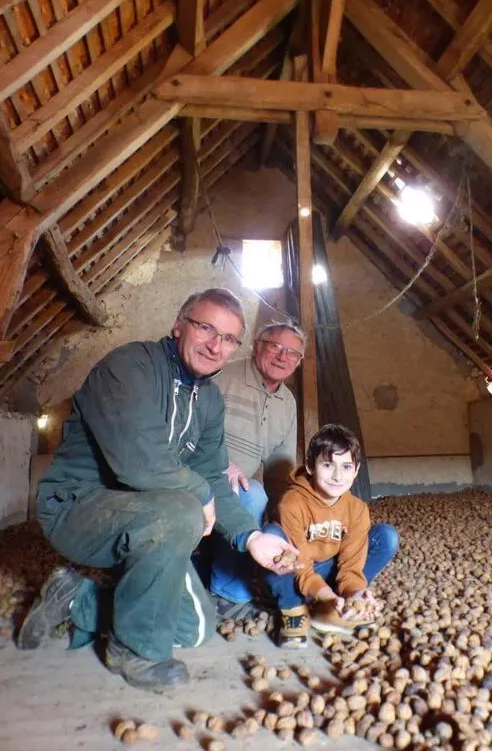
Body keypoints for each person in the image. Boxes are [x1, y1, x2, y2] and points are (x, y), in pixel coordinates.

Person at [19, 288, 299, 692]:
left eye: (227, 338)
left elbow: (213, 476)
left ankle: (76, 597)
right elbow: (140, 462)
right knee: (183, 509)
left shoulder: (209, 400)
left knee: (195, 628)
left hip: (151, 520)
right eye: (206, 328)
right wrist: (201, 494)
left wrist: (252, 536)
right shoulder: (127, 367)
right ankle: (133, 651)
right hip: (79, 509)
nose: (215, 345)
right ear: (178, 325)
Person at [261, 424, 399, 648]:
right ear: (310, 466)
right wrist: (327, 596)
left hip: (330, 571)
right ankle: (294, 609)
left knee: (386, 537)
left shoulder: (357, 509)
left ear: (356, 470)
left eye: (346, 467)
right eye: (327, 465)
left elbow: (351, 565)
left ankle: (333, 609)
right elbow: (301, 565)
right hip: (295, 575)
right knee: (271, 537)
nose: (337, 476)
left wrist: (355, 593)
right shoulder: (292, 503)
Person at [206, 322, 305, 612]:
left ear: (298, 362)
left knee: (282, 504)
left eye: (292, 353)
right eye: (275, 346)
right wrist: (220, 462)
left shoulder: (287, 402)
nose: (283, 357)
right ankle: (228, 593)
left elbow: (280, 468)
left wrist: (288, 510)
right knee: (254, 495)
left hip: (238, 488)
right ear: (257, 346)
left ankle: (261, 576)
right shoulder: (222, 377)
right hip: (201, 474)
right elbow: (189, 432)